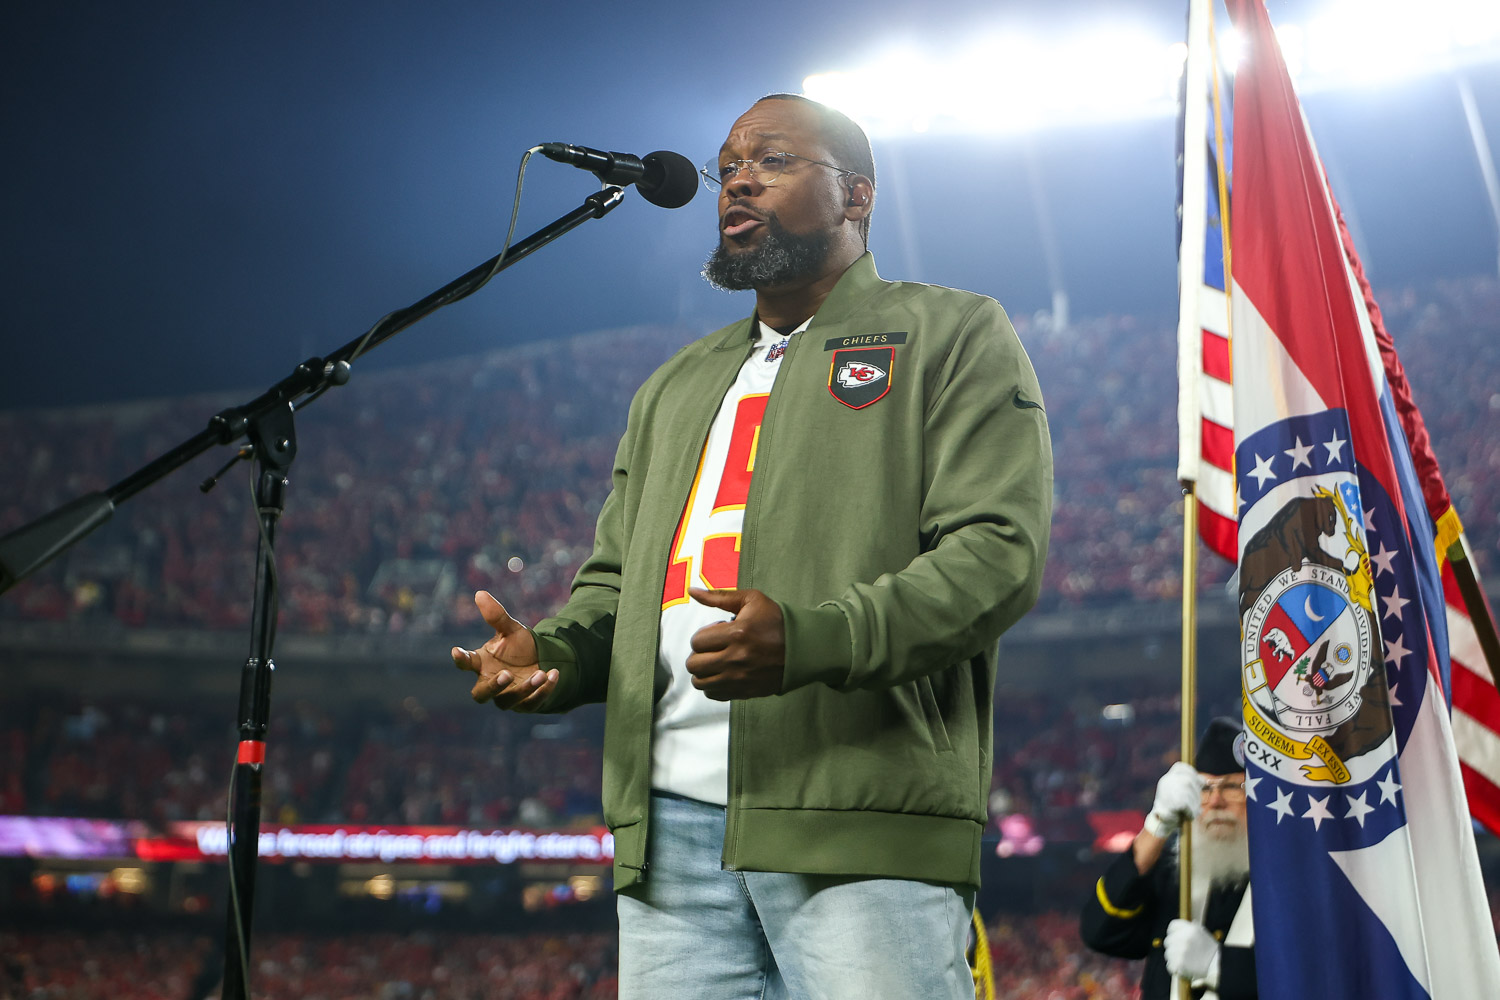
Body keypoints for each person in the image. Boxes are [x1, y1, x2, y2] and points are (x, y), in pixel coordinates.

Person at [450, 93, 1053, 999]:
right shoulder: (675, 383)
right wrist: (559, 657)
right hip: (666, 836)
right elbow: (619, 584)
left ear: (856, 197)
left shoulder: (951, 331)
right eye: (728, 164)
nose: (736, 180)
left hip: (857, 815)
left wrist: (814, 637)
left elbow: (997, 555)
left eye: (772, 161)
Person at [1080, 716, 1256, 1000]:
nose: (1214, 802)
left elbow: (1315, 980)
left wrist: (1219, 966)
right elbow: (1100, 931)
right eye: (1204, 788)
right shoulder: (1176, 870)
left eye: (1231, 788)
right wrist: (1157, 825)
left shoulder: (1288, 880)